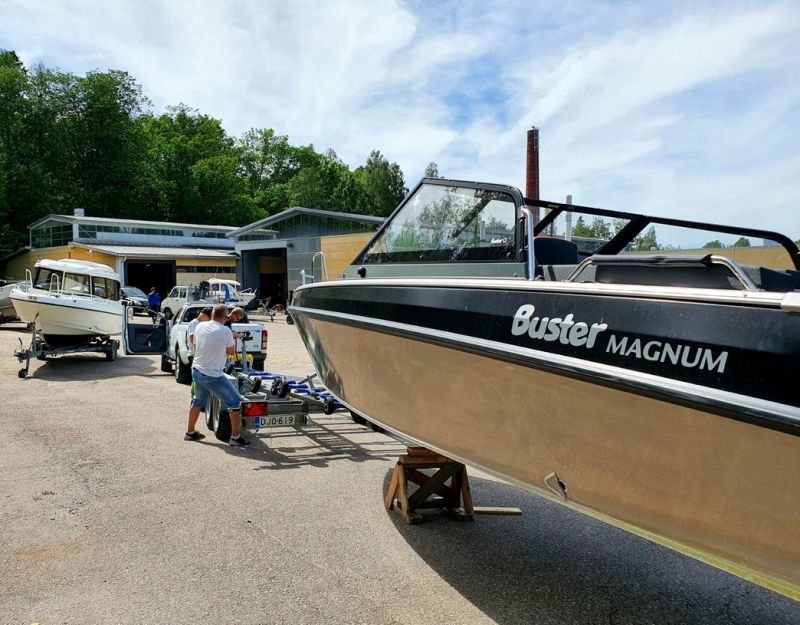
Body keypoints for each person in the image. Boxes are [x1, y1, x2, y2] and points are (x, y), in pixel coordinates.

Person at [185, 304, 249, 446]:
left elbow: (195, 343)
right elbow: (231, 352)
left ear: (212, 314)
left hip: (196, 370)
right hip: (212, 375)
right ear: (225, 316)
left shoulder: (200, 326)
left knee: (197, 401)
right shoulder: (225, 331)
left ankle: (190, 432)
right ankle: (235, 437)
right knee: (235, 402)